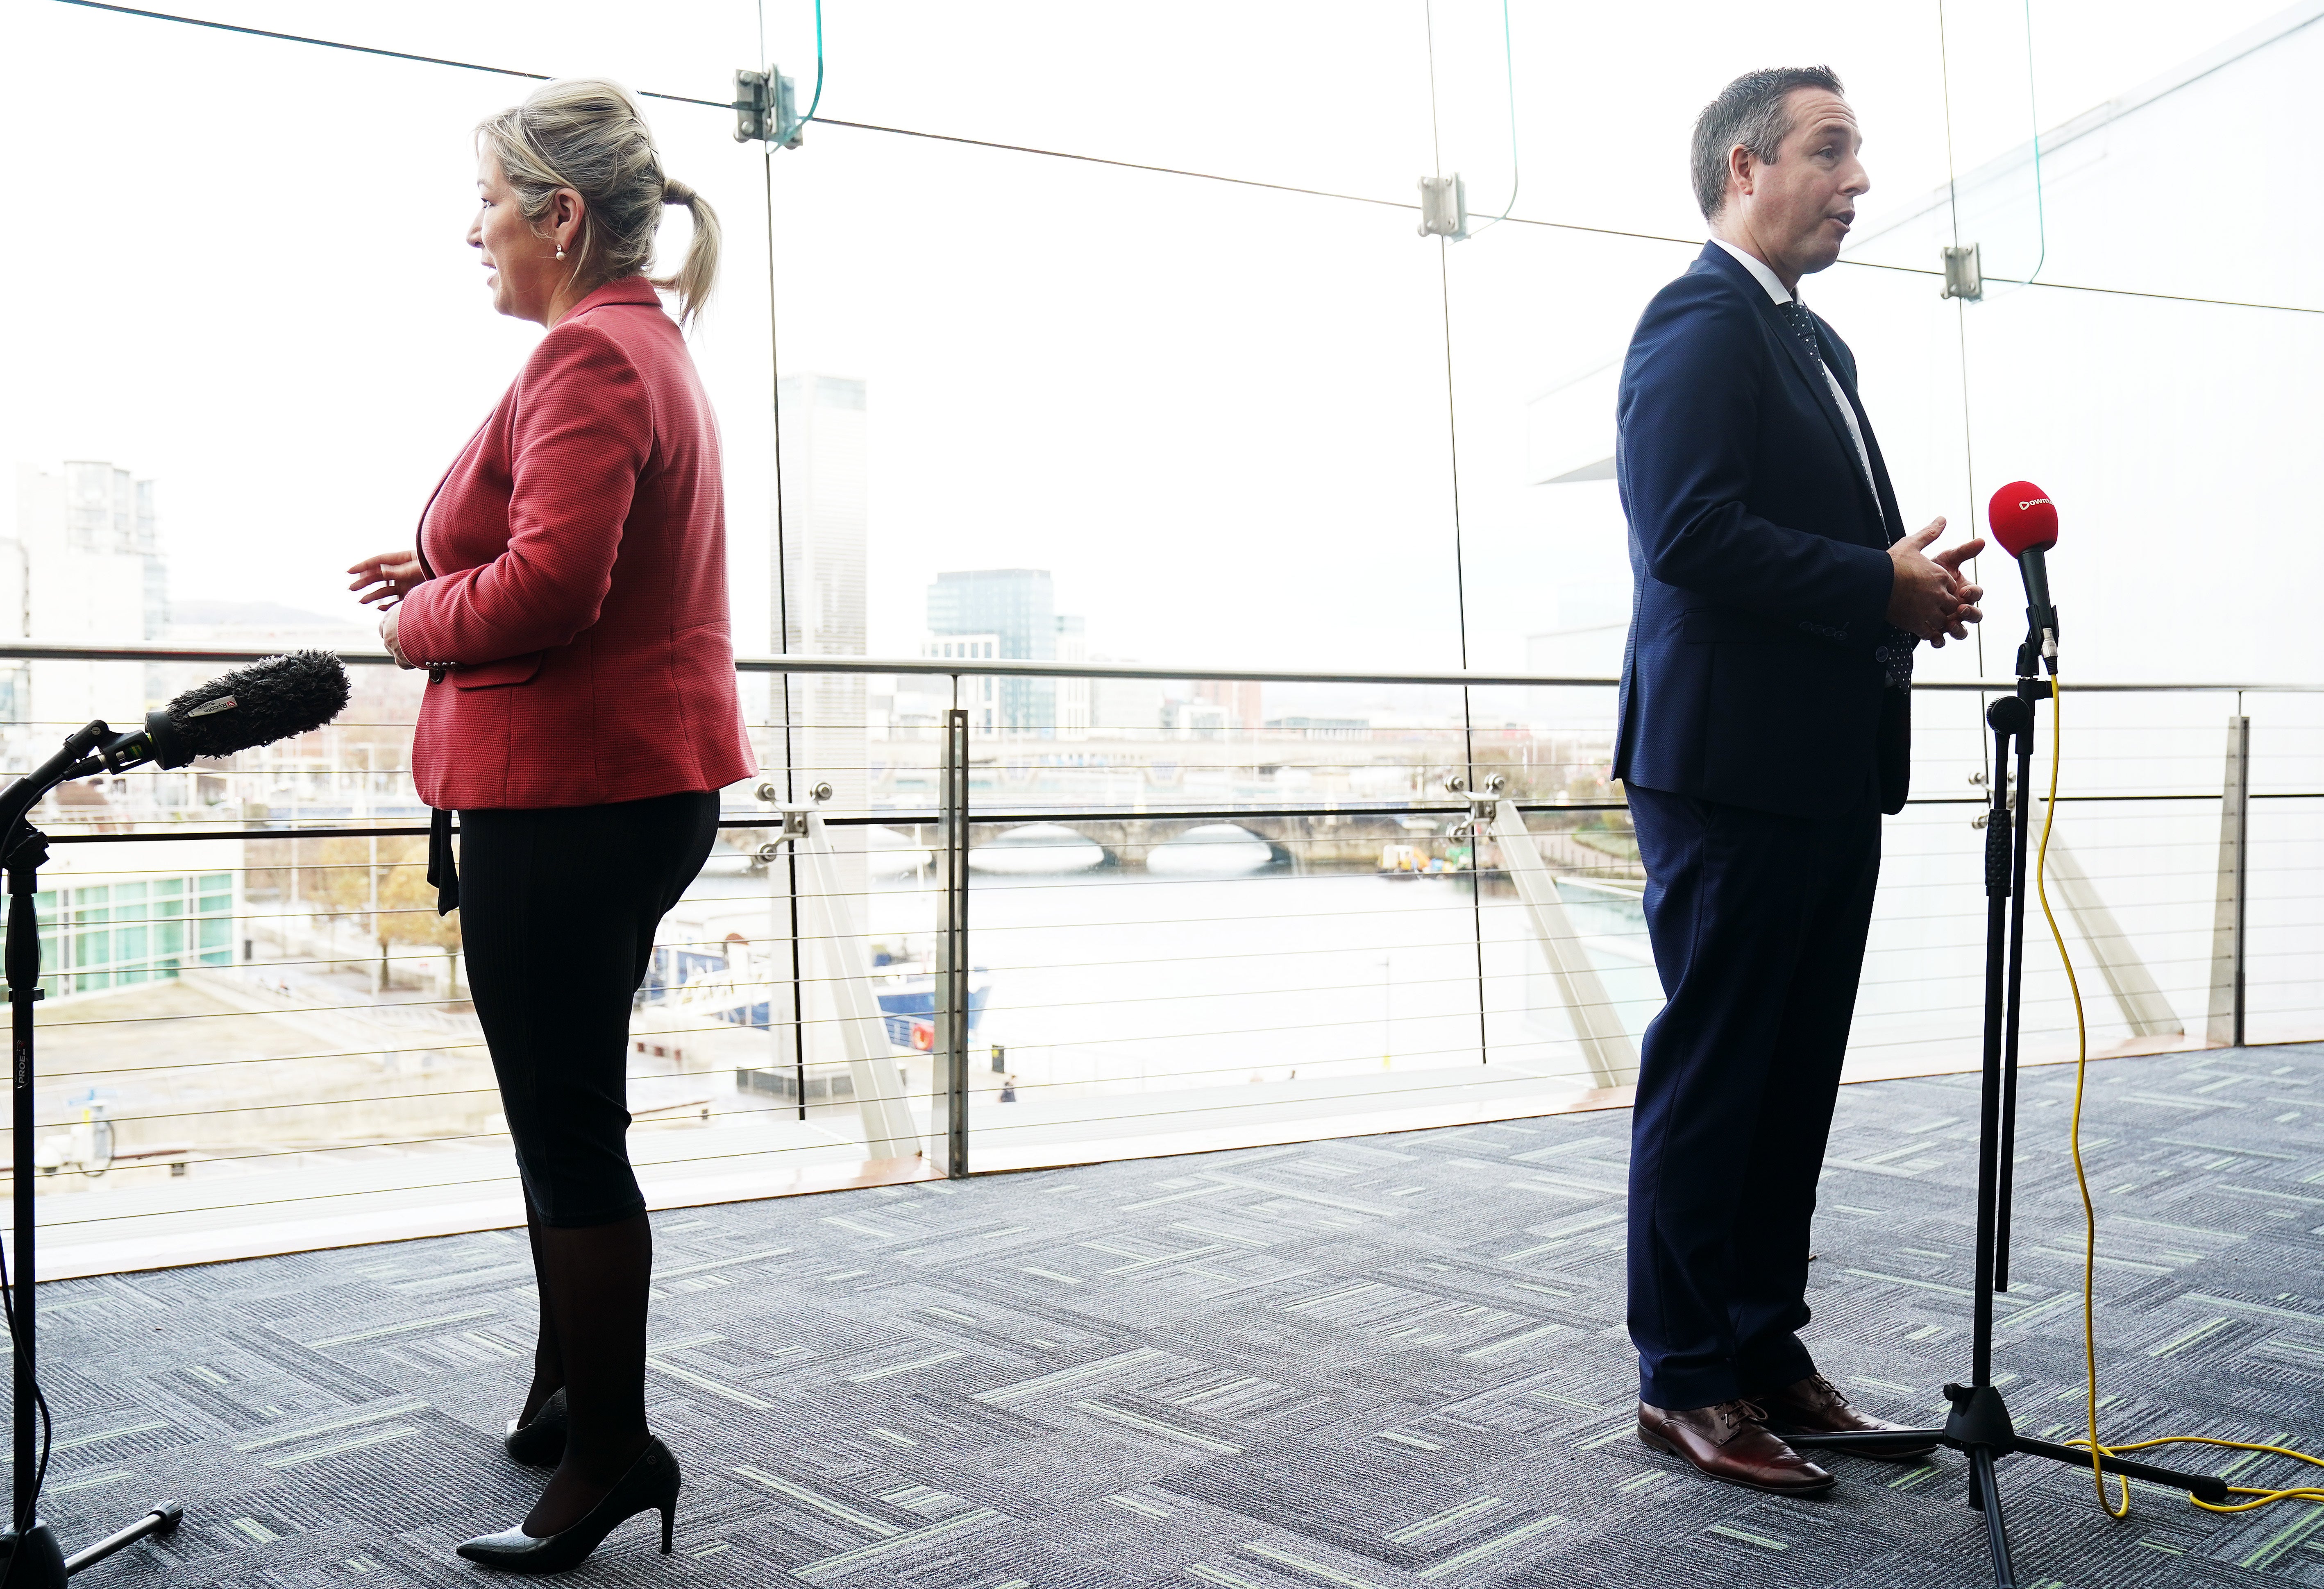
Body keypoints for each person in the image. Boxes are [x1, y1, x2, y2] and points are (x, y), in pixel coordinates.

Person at [347, 77, 752, 1569]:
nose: (476, 233)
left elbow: (549, 593)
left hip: (569, 794)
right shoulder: (644, 344)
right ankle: (571, 1382)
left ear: (560, 216)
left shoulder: (589, 354)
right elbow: (562, 543)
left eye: (492, 206)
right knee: (566, 1113)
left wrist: (422, 622)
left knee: (567, 1130)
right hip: (633, 785)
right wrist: (441, 557)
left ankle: (613, 1452)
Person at [1614, 66, 1984, 1494]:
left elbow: (1810, 545)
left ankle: (1767, 1355)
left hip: (1821, 765)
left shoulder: (1811, 344)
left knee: (1792, 1081)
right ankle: (1686, 1383)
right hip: (1728, 775)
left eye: (1858, 153)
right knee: (1716, 1081)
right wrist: (1866, 585)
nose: (1859, 179)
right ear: (1746, 167)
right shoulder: (1697, 322)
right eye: (1832, 151)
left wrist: (1901, 591)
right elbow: (1691, 535)